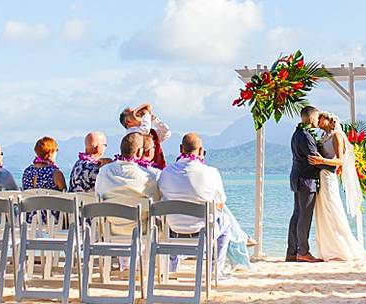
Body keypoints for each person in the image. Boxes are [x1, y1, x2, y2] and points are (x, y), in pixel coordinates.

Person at [158, 133, 250, 274]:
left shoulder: (165, 173)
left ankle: (172, 268)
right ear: (201, 151)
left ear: (181, 149)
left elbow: (161, 198)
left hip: (173, 232)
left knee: (170, 216)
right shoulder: (211, 173)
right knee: (225, 220)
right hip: (203, 234)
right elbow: (220, 203)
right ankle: (214, 271)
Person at [310, 112, 366, 261]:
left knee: (332, 209)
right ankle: (328, 248)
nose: (318, 121)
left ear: (328, 119)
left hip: (329, 176)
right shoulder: (323, 136)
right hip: (320, 176)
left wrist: (321, 161)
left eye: (320, 118)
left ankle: (342, 248)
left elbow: (340, 161)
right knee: (323, 211)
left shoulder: (337, 136)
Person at [95, 132, 160, 240]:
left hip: (112, 227)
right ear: (140, 152)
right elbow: (156, 201)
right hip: (141, 229)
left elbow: (98, 195)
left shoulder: (104, 171)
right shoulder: (149, 177)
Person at [286, 106, 330, 263]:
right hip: (306, 180)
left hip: (298, 178)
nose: (318, 120)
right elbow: (314, 159)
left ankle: (292, 252)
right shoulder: (305, 136)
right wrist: (332, 167)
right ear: (311, 118)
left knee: (297, 215)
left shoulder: (297, 133)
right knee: (304, 217)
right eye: (317, 117)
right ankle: (303, 252)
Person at [120, 102, 171, 168]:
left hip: (155, 168)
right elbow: (145, 129)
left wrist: (153, 118)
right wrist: (146, 113)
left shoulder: (150, 132)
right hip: (138, 170)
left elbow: (166, 132)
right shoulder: (130, 133)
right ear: (128, 121)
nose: (138, 114)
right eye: (134, 114)